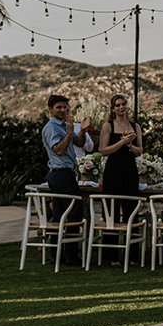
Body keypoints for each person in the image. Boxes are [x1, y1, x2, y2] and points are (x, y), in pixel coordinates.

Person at [41, 94, 92, 265]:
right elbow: (59, 150)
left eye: (65, 107)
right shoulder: (51, 128)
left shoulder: (64, 125)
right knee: (73, 214)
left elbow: (79, 143)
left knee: (60, 215)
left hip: (66, 173)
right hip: (60, 174)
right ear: (50, 109)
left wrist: (82, 130)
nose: (63, 110)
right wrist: (70, 131)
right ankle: (71, 256)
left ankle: (57, 256)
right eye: (59, 107)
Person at [98, 94, 143, 265]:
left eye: (124, 104)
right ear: (113, 108)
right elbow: (103, 150)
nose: (121, 107)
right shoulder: (107, 126)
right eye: (118, 105)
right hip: (113, 172)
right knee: (112, 212)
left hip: (130, 171)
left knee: (132, 211)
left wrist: (130, 145)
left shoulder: (135, 126)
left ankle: (132, 257)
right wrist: (121, 142)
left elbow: (140, 151)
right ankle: (111, 257)